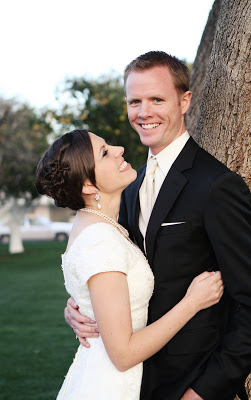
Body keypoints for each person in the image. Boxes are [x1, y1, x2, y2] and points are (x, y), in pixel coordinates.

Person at [65, 52, 251, 400]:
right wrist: (81, 308)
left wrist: (205, 391)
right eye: (135, 101)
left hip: (192, 381)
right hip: (136, 378)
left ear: (184, 102)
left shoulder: (217, 186)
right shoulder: (129, 187)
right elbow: (118, 271)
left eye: (157, 99)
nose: (144, 112)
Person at [35, 129, 223, 400]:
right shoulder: (100, 240)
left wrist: (77, 308)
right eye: (104, 152)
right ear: (88, 185)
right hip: (111, 386)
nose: (119, 148)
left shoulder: (102, 226)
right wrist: (192, 302)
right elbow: (123, 355)